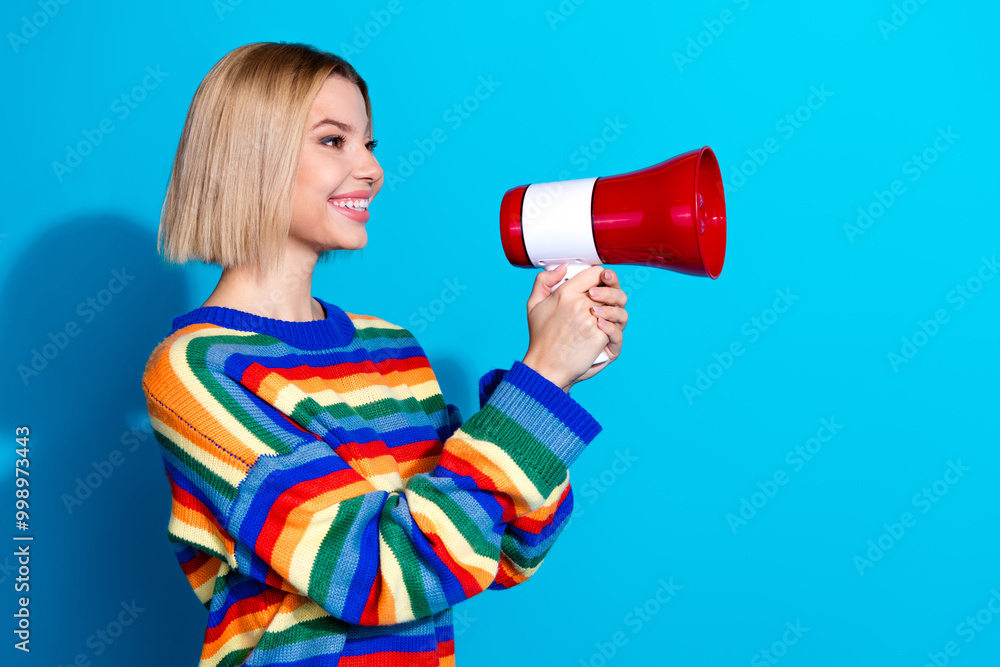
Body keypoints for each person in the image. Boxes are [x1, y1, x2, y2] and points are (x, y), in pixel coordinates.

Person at [141, 41, 628, 666]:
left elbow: (506, 555)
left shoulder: (390, 348)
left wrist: (553, 388)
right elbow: (375, 576)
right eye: (332, 140)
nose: (371, 169)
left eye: (369, 143)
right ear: (249, 156)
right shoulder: (197, 371)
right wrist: (539, 379)